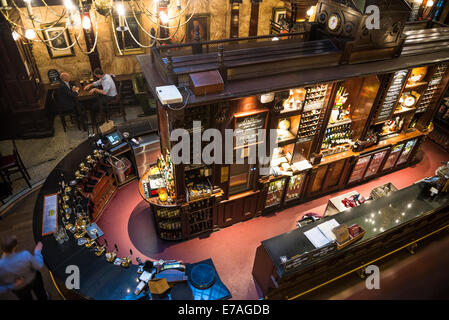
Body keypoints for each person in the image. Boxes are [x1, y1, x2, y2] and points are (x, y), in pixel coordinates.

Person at [0, 235, 47, 300]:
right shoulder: (25, 255)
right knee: (41, 294)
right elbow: (39, 265)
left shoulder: (1, 266)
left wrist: (12, 285)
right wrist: (37, 252)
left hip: (19, 289)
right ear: (14, 247)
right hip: (33, 280)